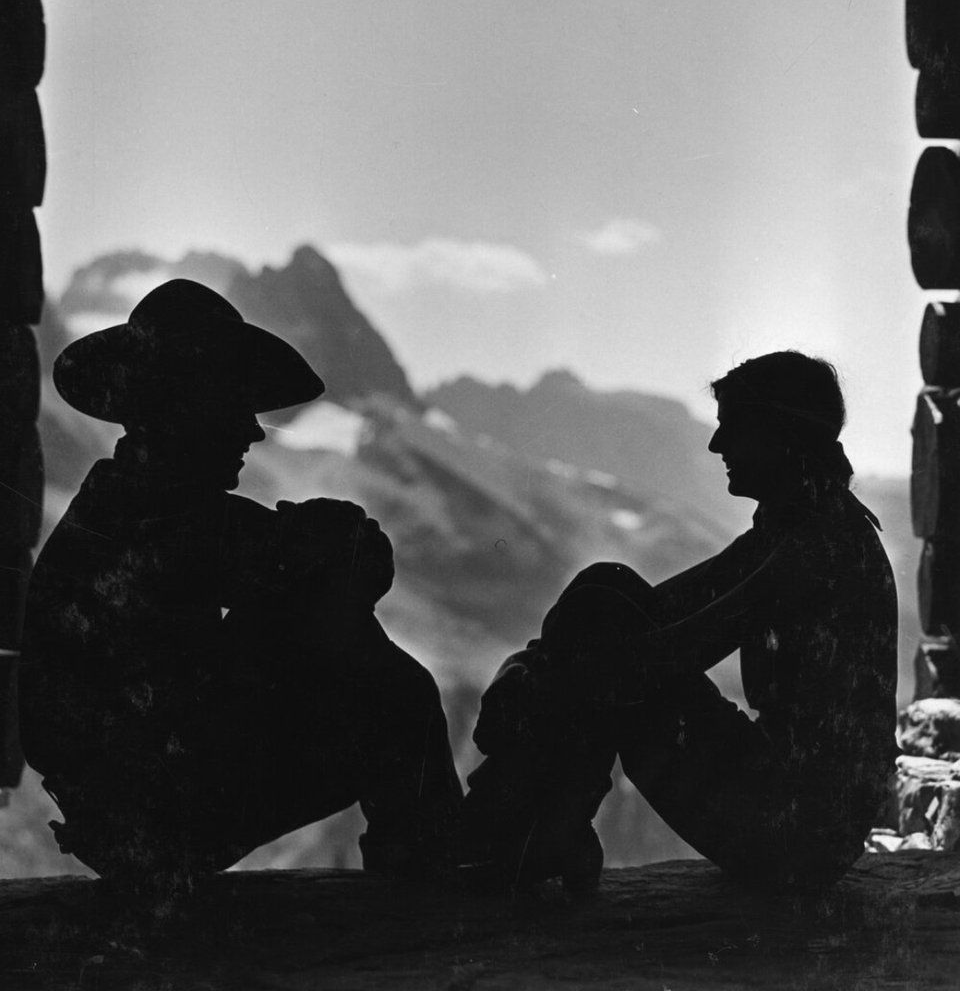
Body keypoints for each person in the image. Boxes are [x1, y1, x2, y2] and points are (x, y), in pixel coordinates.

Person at [19, 279, 462, 890]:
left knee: (323, 614)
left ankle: (425, 856)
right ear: (187, 409)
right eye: (235, 405)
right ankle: (430, 865)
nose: (253, 431)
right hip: (160, 824)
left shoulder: (125, 504)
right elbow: (350, 561)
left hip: (133, 819)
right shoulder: (174, 520)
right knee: (385, 684)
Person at [461, 351, 899, 895]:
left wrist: (532, 682)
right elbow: (646, 609)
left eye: (732, 428)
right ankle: (540, 831)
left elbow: (668, 657)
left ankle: (518, 829)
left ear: (779, 435)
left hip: (797, 835)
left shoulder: (817, 547)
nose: (717, 446)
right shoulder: (797, 525)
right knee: (606, 588)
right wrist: (532, 662)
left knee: (612, 642)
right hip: (794, 817)